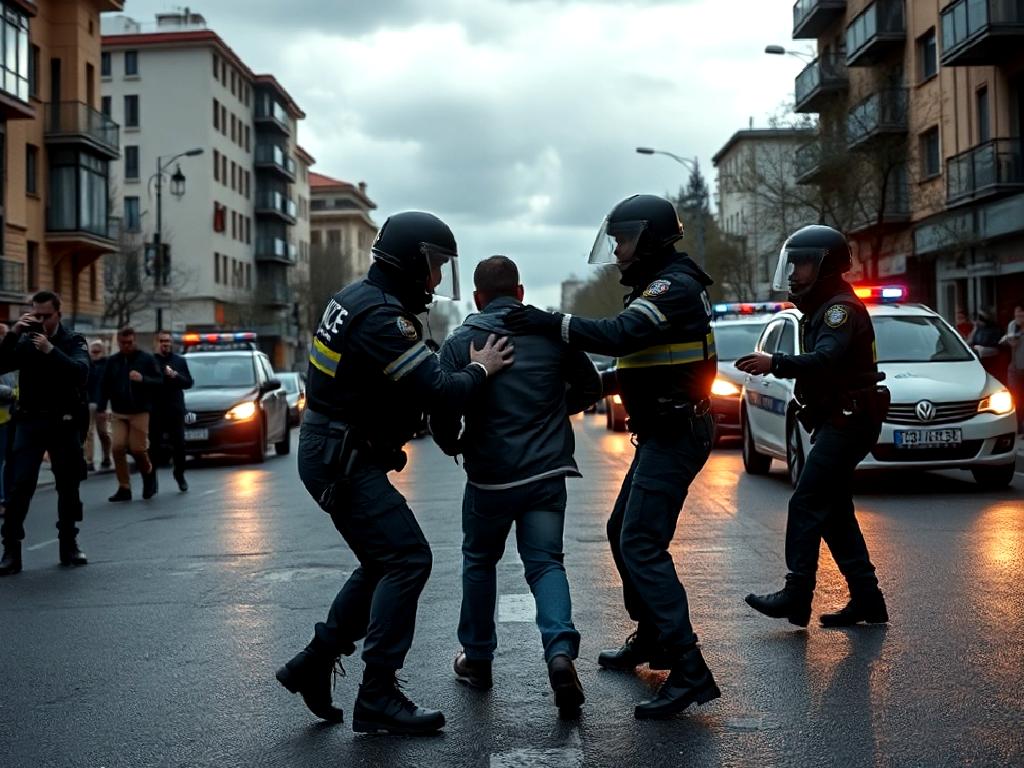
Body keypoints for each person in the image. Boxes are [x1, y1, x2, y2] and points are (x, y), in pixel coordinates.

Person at [276, 211, 513, 735]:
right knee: (407, 559)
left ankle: (313, 664)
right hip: (342, 455)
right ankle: (378, 693)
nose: (434, 280)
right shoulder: (384, 318)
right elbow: (439, 390)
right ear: (409, 261)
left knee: (382, 561)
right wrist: (481, 368)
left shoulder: (356, 298)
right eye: (432, 266)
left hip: (333, 448)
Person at [504, 194, 720, 720]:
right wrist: (575, 390)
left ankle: (689, 669)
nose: (618, 251)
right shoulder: (656, 285)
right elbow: (642, 363)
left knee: (641, 543)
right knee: (621, 528)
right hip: (664, 428)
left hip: (677, 431)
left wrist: (549, 323)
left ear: (647, 237)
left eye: (622, 240)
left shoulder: (673, 286)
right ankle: (653, 636)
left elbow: (621, 336)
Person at [431, 255, 602, 717]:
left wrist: (456, 443)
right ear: (521, 293)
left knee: (480, 562)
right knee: (546, 563)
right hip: (547, 473)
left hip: (490, 478)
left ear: (476, 297)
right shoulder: (550, 334)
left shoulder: (461, 341)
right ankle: (560, 652)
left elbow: (442, 408)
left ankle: (479, 660)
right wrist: (552, 412)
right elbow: (590, 386)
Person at [736, 225, 890, 629]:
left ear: (824, 265)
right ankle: (867, 600)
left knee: (805, 501)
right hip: (837, 419)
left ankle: (797, 592)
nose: (793, 273)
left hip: (849, 421)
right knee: (835, 512)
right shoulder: (822, 308)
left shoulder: (841, 310)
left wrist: (777, 362)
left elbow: (827, 360)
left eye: (801, 264)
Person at [0, 291, 90, 576]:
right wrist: (14, 333)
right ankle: (11, 549)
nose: (40, 321)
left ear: (58, 315)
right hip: (29, 422)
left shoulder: (72, 340)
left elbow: (80, 372)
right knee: (19, 486)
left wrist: (51, 350)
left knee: (68, 484)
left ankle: (68, 543)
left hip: (63, 422)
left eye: (46, 316)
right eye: (35, 315)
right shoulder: (25, 342)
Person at [100, 326, 162, 502]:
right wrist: (101, 408)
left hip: (140, 411)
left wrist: (143, 379)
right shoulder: (113, 361)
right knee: (117, 447)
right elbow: (104, 385)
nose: (127, 346)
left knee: (138, 449)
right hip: (119, 411)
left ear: (134, 341)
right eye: (123, 343)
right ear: (118, 342)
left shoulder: (146, 359)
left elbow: (159, 381)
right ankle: (124, 487)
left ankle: (148, 474)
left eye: (130, 342)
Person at [149, 330, 193, 491]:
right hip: (156, 411)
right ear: (156, 343)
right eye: (162, 341)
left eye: (167, 341)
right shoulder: (150, 361)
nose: (165, 344)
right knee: (154, 447)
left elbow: (188, 382)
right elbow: (145, 383)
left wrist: (175, 375)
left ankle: (179, 474)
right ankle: (152, 479)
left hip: (175, 410)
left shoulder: (179, 361)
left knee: (179, 445)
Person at [84, 340, 112, 472]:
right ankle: (89, 460)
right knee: (88, 433)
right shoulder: (86, 364)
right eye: (92, 351)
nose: (94, 354)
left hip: (102, 403)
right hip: (88, 403)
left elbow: (108, 386)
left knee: (103, 433)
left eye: (97, 351)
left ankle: (106, 457)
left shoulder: (107, 366)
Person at [1001, 304, 1024, 435]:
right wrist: (1009, 341)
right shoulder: (1012, 325)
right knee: (1016, 397)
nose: (1019, 318)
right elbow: (1006, 340)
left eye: (1021, 314)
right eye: (1017, 315)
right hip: (1014, 367)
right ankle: (1018, 425)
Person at [0, 323, 15, 517]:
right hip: (2, 418)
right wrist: (13, 393)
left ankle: (9, 498)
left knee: (10, 461)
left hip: (13, 417)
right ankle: (2, 501)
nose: (3, 337)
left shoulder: (10, 356)